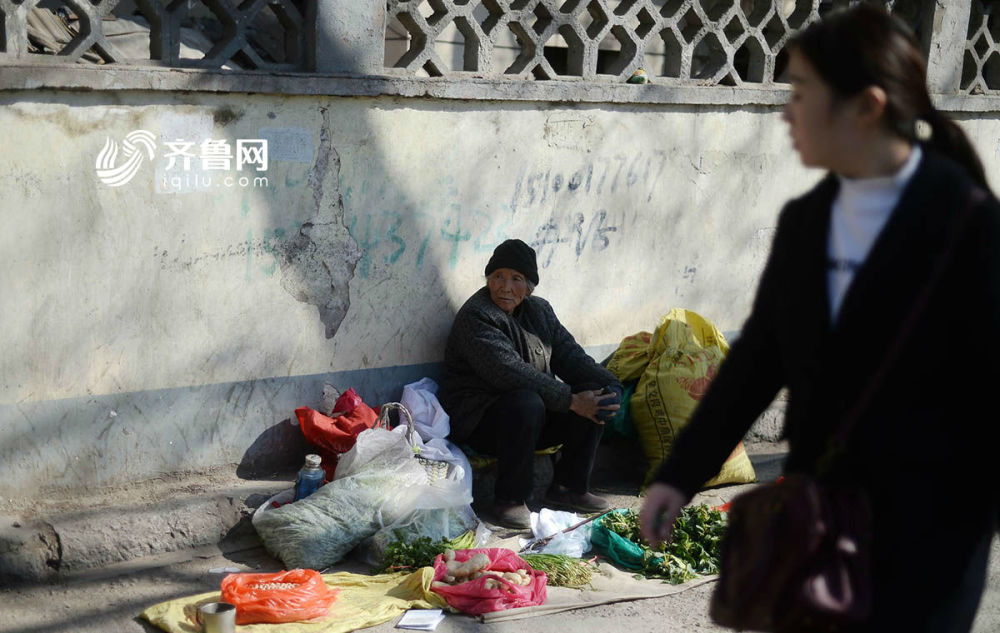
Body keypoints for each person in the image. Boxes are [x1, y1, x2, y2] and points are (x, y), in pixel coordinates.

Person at [639, 6, 1000, 632]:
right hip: (821, 529)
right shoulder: (807, 221)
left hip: (929, 548)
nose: (787, 111)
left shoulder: (967, 226)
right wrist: (678, 474)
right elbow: (757, 361)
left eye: (802, 93)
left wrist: (963, 517)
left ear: (866, 105)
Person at [438, 238, 623, 529]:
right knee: (526, 401)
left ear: (529, 287)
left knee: (595, 392)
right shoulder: (477, 316)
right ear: (488, 280)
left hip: (531, 420)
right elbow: (509, 373)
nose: (505, 287)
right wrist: (572, 401)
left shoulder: (540, 311)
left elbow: (570, 355)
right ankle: (509, 500)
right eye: (497, 277)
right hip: (480, 420)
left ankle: (569, 487)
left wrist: (611, 385)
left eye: (516, 279)